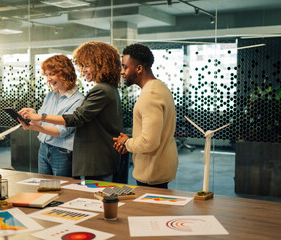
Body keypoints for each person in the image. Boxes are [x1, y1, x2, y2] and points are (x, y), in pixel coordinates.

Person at [20, 41, 122, 181]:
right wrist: (35, 118)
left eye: (87, 65)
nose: (83, 70)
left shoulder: (100, 91)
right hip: (54, 149)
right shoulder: (108, 89)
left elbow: (75, 119)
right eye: (82, 66)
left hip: (90, 157)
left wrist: (39, 118)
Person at [113, 43, 178, 189]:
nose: (122, 72)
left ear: (139, 68)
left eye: (125, 67)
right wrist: (130, 145)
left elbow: (149, 142)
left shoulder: (150, 95)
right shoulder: (160, 88)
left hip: (152, 171)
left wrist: (127, 143)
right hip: (158, 167)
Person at [19, 55, 84, 177]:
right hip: (44, 149)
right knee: (44, 188)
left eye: (52, 74)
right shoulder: (50, 95)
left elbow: (61, 132)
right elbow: (41, 121)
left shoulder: (78, 100)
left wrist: (34, 126)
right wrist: (32, 115)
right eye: (47, 75)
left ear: (65, 73)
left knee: (64, 192)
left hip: (62, 153)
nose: (48, 79)